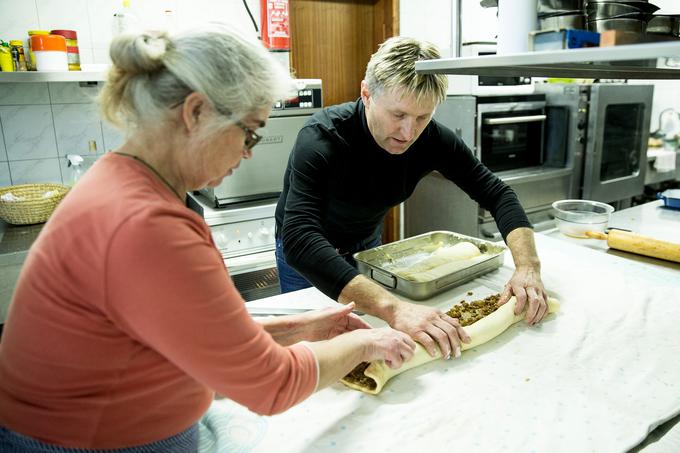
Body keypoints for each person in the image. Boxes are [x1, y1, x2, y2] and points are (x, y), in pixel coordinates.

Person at [0, 25, 416, 452]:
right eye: (249, 133)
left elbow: (202, 335)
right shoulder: (147, 226)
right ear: (195, 112)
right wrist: (366, 341)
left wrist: (303, 329)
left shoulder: (121, 179)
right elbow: (272, 385)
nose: (249, 152)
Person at [275, 36, 550, 362]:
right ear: (366, 93)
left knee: (373, 346)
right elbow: (299, 238)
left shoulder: (432, 139)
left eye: (422, 117)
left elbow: (496, 193)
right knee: (311, 355)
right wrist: (395, 308)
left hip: (366, 247)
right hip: (307, 254)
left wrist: (528, 267)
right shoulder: (323, 137)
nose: (408, 132)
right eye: (398, 115)